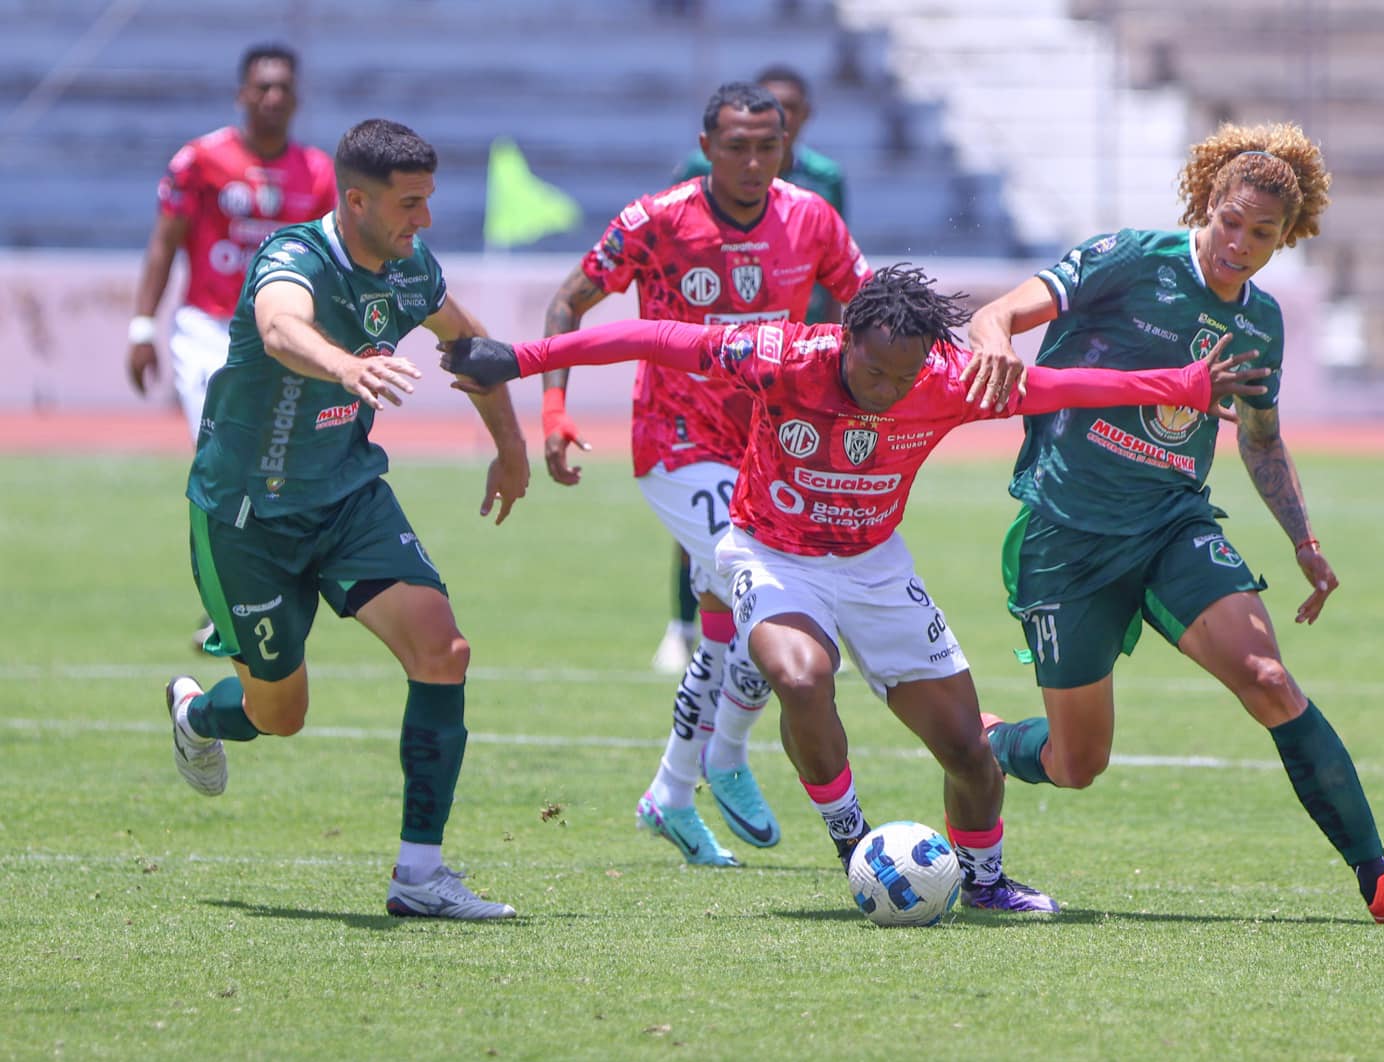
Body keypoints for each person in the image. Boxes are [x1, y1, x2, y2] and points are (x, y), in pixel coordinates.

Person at [443, 264, 1270, 912]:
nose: (886, 390)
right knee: (801, 674)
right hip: (770, 552)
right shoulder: (780, 356)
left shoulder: (945, 376)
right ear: (846, 341)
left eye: (901, 377)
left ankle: (984, 882)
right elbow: (653, 337)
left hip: (877, 566)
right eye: (873, 371)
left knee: (968, 752)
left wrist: (1183, 386)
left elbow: (1059, 389)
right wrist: (520, 360)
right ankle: (853, 846)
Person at [966, 122, 1384, 924]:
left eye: (1263, 233)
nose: (1241, 243)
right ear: (1209, 202)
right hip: (1070, 531)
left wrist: (1303, 539)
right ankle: (979, 738)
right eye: (1231, 220)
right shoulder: (1130, 258)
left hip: (1171, 523)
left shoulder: (1260, 325)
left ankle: (1381, 880)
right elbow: (1001, 314)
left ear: (1285, 237)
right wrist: (995, 344)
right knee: (1076, 762)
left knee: (1268, 679)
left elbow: (1261, 439)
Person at [164, 119, 531, 920]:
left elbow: (471, 346)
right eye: (409, 204)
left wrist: (510, 448)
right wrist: (345, 364)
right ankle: (197, 714)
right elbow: (278, 328)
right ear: (356, 201)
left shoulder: (410, 270)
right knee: (279, 715)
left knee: (444, 650)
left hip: (347, 498)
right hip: (246, 515)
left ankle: (420, 877)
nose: (423, 220)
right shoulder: (292, 258)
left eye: (428, 200)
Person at [538, 81, 871, 867]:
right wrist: (554, 413)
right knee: (763, 589)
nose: (753, 162)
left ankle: (673, 790)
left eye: (767, 147)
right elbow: (566, 303)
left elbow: (866, 311)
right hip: (677, 441)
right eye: (736, 147)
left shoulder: (812, 218)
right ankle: (723, 756)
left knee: (739, 611)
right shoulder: (655, 221)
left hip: (770, 445)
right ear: (707, 146)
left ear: (785, 147)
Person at [126, 43, 338, 651]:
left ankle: (247, 596)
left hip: (286, 337)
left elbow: (331, 269)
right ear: (243, 93)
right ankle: (231, 601)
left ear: (296, 98)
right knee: (225, 457)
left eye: (283, 88)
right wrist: (143, 327)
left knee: (277, 469)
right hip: (210, 332)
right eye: (262, 87)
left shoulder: (319, 173)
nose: (272, 98)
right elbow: (166, 243)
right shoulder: (200, 160)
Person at [654, 65, 854, 675]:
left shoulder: (823, 182)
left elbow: (838, 264)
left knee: (808, 488)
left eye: (788, 118)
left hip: (799, 359)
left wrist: (843, 354)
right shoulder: (695, 180)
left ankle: (806, 617)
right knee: (711, 498)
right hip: (720, 364)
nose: (765, 147)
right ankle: (682, 625)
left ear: (802, 120)